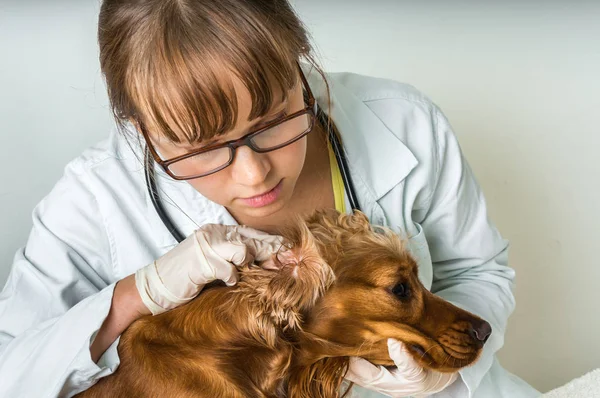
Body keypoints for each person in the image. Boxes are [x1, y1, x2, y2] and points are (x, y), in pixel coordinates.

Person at [0, 1, 541, 397]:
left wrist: (440, 379)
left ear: (300, 68)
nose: (254, 173)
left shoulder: (402, 120)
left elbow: (480, 273)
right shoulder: (95, 196)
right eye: (202, 148)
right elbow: (10, 376)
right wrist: (137, 294)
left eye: (275, 121)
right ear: (142, 132)